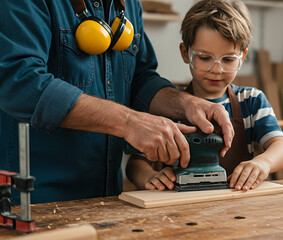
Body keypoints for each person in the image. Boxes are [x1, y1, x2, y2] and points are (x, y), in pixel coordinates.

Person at [0, 0, 234, 204]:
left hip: (109, 196)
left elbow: (140, 80)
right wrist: (129, 122)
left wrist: (185, 103)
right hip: (34, 201)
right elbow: (19, 83)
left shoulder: (128, 5)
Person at [126, 0, 283, 192]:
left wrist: (263, 163)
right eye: (204, 58)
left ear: (242, 57)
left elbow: (282, 147)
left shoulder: (251, 100)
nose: (216, 70)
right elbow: (135, 162)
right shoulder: (165, 105)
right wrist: (151, 177)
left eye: (228, 59)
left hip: (237, 206)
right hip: (179, 208)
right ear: (185, 53)